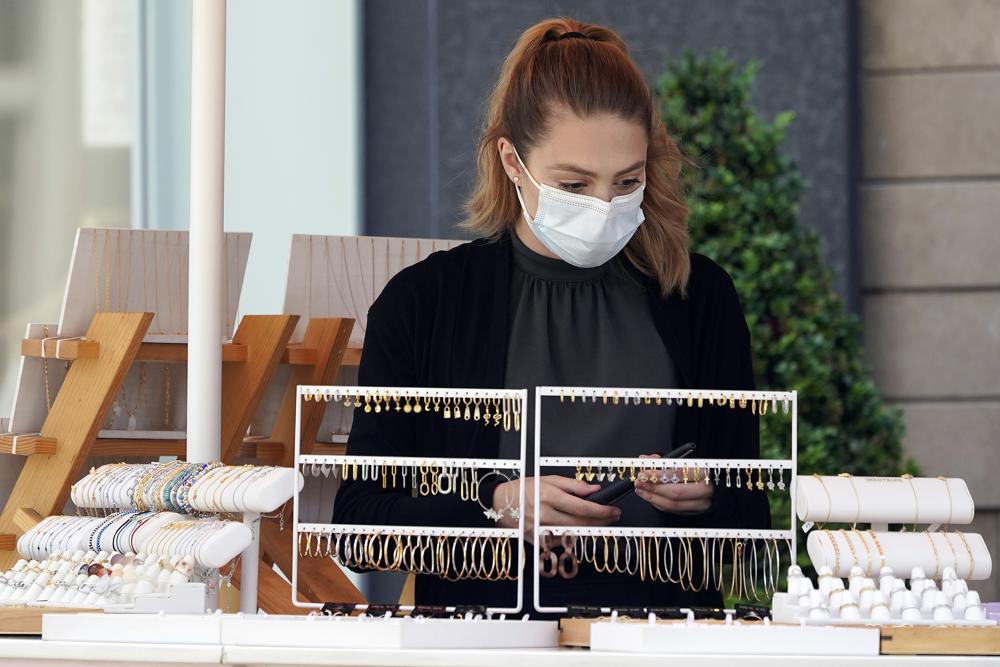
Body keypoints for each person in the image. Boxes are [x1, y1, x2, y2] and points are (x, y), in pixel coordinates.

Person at [333, 17, 769, 613]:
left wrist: (708, 498)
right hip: (485, 638)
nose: (603, 206)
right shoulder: (425, 303)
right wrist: (495, 505)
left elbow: (751, 522)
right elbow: (359, 527)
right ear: (512, 162)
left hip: (666, 634)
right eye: (574, 183)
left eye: (627, 182)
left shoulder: (698, 296)